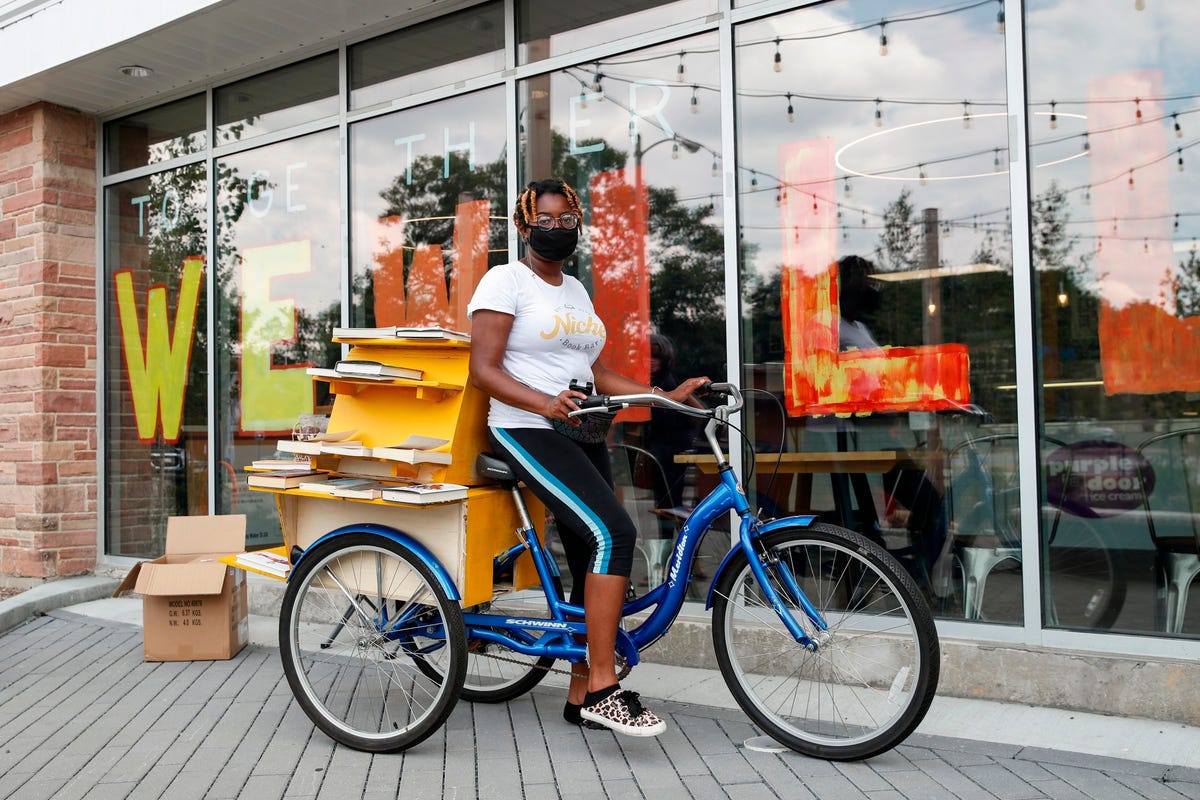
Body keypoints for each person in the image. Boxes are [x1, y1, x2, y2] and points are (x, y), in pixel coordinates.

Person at [467, 178, 709, 737]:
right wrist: (545, 403)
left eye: (565, 220)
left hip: (580, 430)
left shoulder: (575, 290)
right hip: (526, 427)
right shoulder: (506, 281)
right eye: (544, 221)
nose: (556, 230)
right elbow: (483, 370)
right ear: (525, 228)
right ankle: (605, 685)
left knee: (588, 553)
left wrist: (660, 396)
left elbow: (595, 372)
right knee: (614, 534)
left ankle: (580, 694)